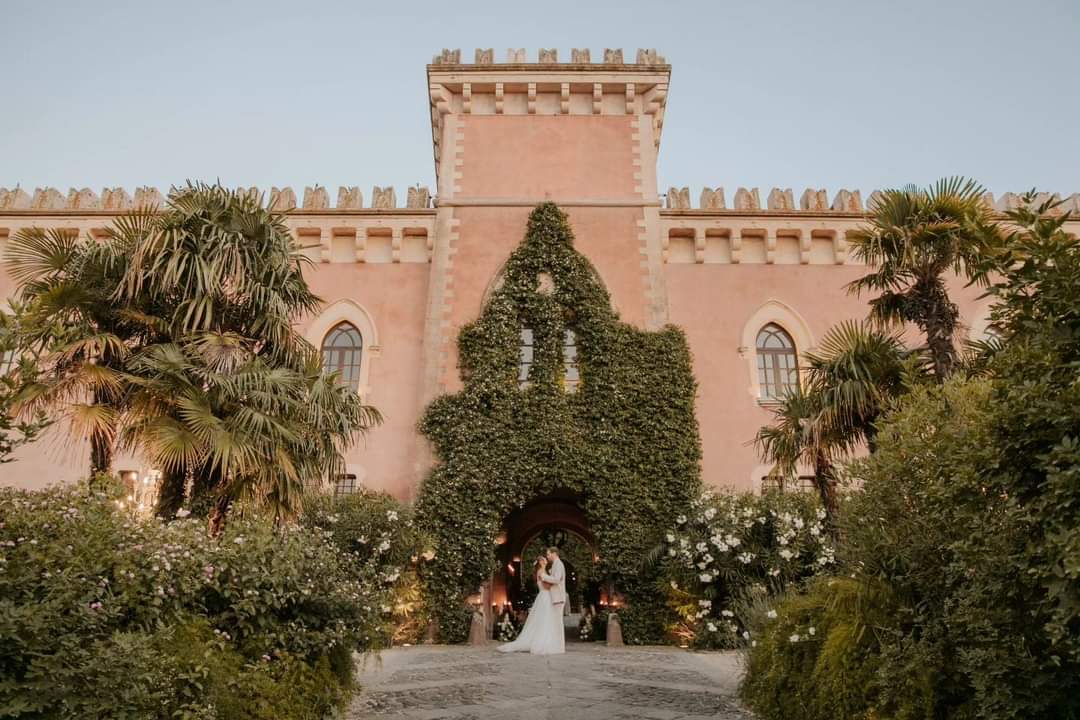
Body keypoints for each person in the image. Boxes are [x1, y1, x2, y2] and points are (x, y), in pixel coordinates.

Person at [496, 553, 565, 655]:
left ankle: (546, 639)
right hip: (545, 596)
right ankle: (542, 642)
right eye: (543, 560)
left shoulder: (544, 571)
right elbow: (546, 587)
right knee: (545, 618)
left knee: (545, 619)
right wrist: (554, 582)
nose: (545, 560)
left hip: (545, 597)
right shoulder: (541, 572)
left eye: (545, 559)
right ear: (540, 563)